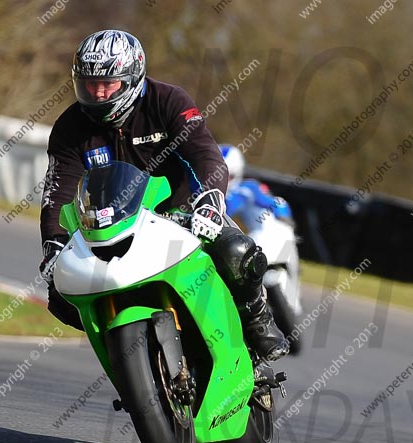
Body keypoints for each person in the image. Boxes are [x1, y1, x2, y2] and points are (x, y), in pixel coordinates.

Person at [38, 29, 288, 362]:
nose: (98, 94)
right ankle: (124, 352)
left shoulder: (169, 101)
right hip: (112, 225)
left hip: (182, 212)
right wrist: (53, 242)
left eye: (108, 84)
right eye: (88, 84)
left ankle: (257, 317)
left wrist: (211, 201)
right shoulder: (70, 128)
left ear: (132, 79)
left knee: (237, 251)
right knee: (60, 292)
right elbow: (58, 189)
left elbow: (205, 154)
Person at [220, 144, 294, 234]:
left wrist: (284, 219)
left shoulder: (245, 190)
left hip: (269, 235)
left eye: (227, 176)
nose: (222, 180)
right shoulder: (242, 190)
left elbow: (278, 203)